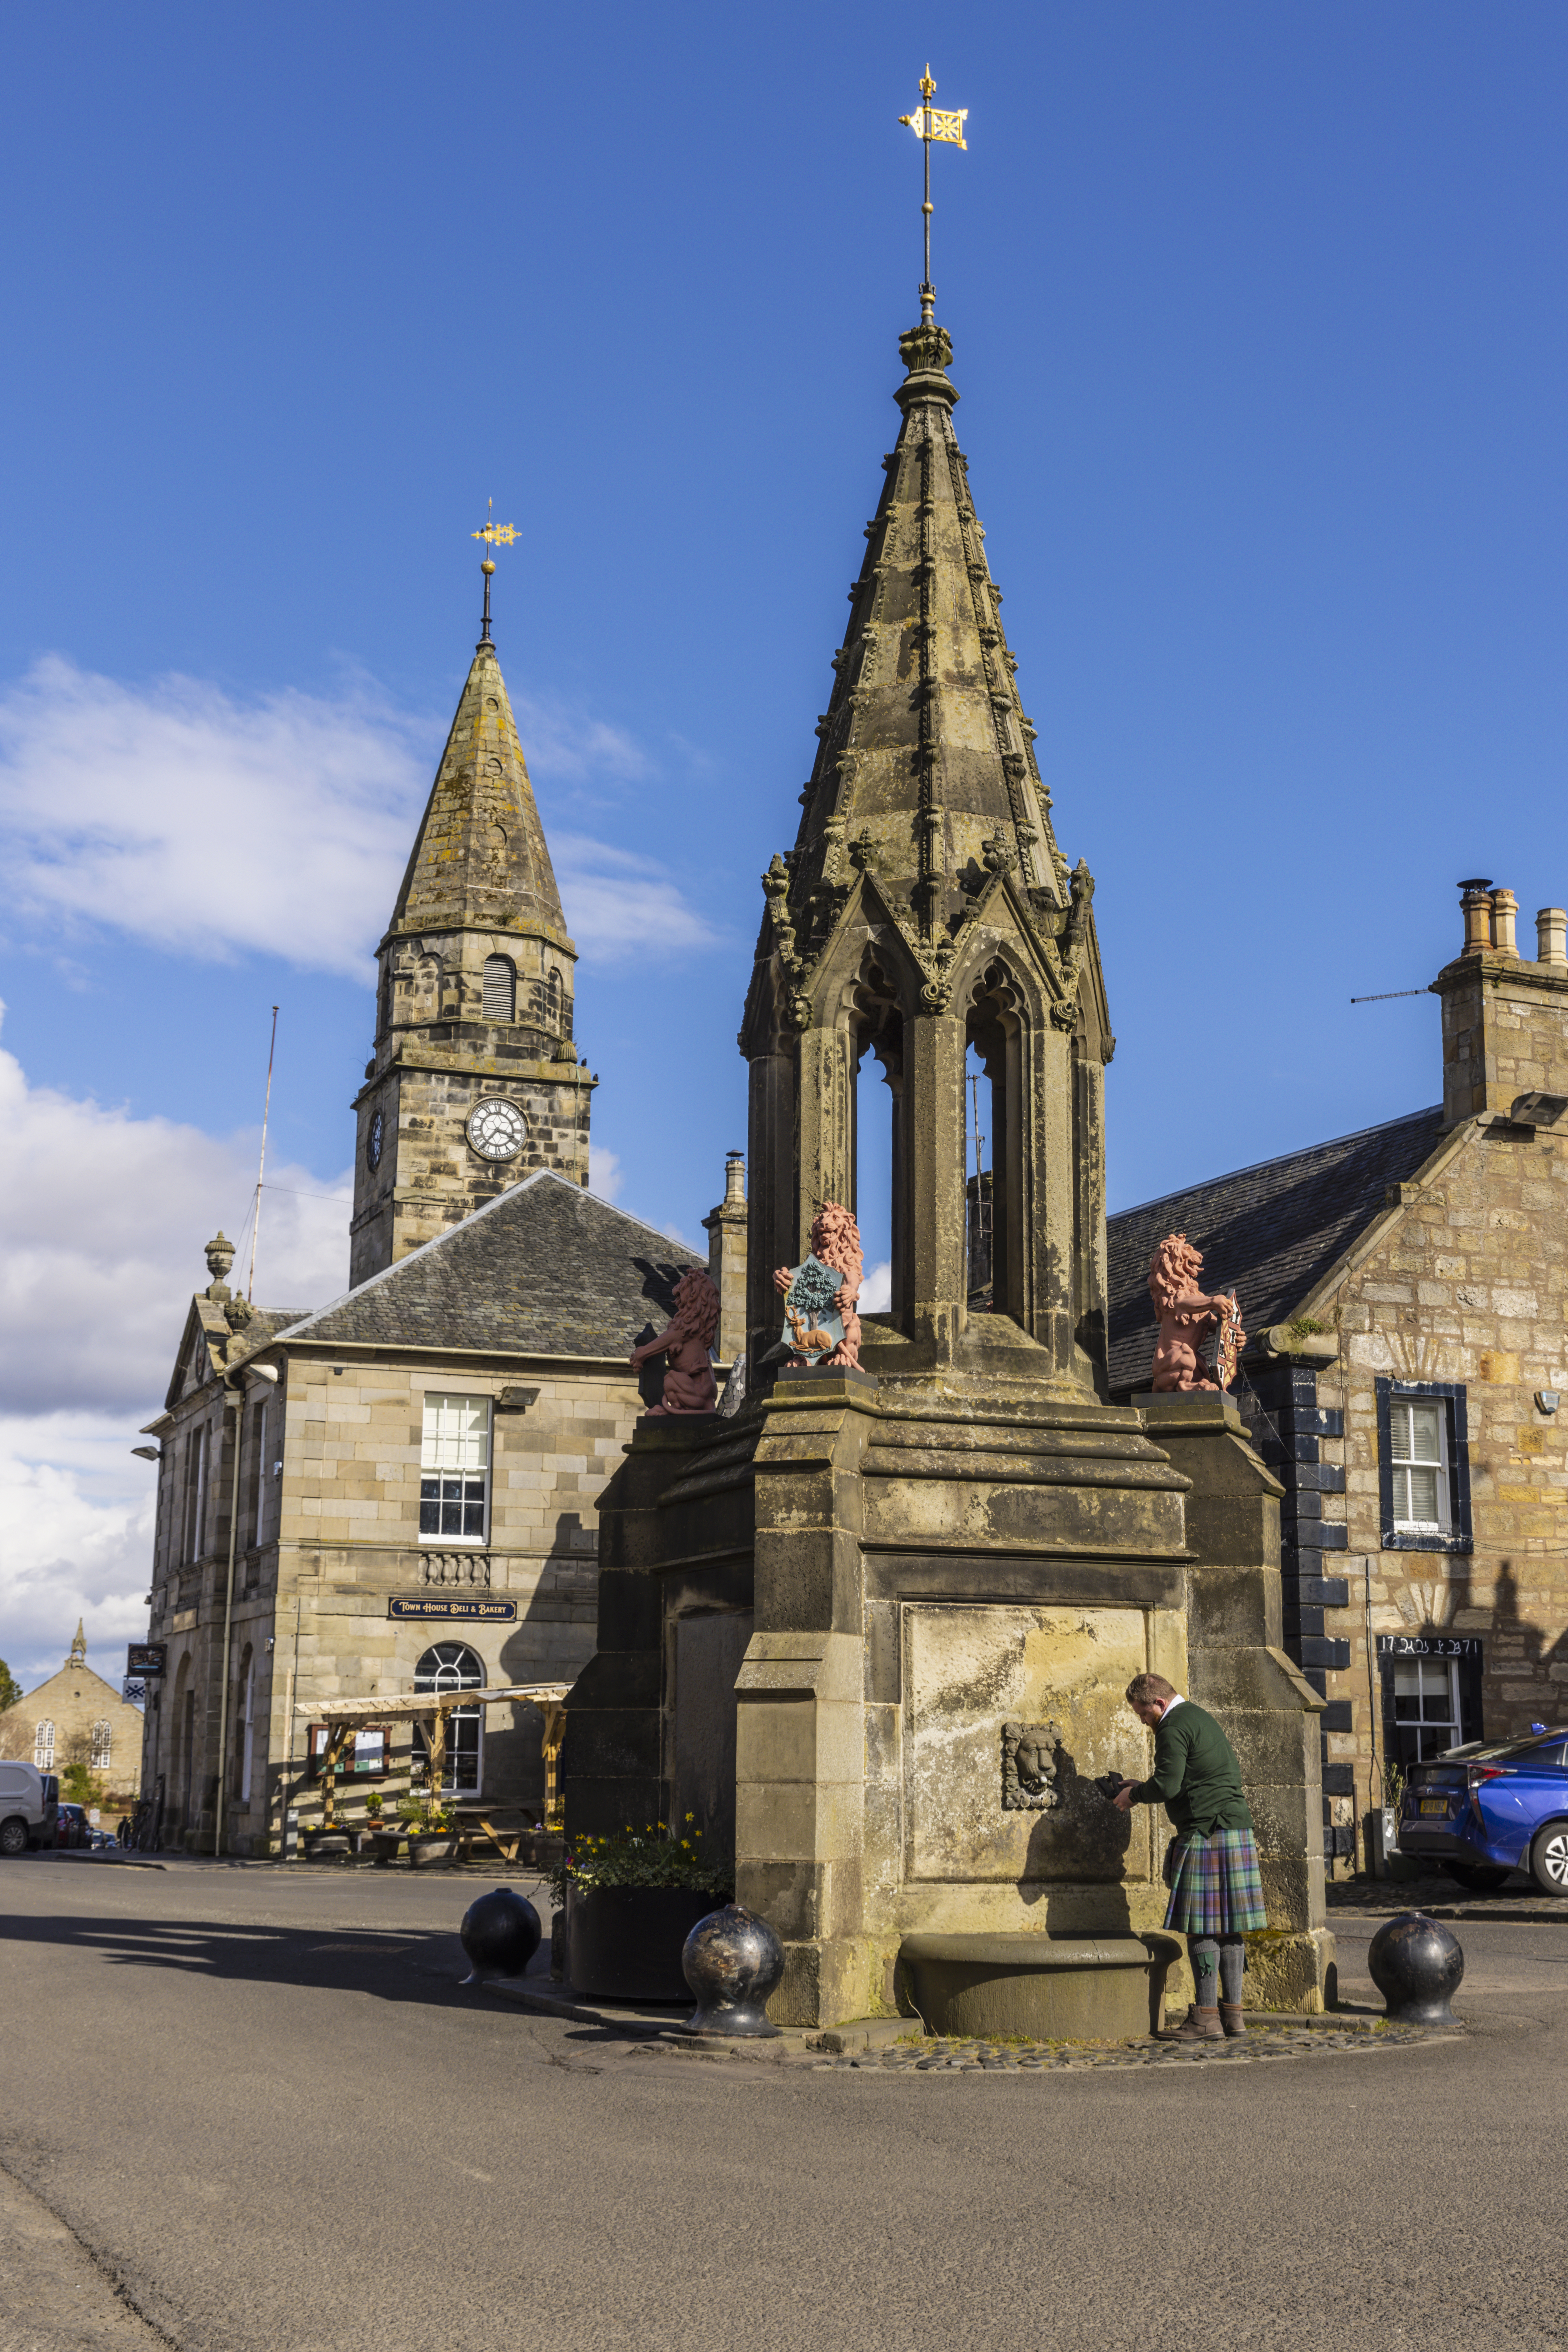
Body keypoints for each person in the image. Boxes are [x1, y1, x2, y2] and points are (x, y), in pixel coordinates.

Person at [1112, 1671, 1267, 2040]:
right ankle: (1233, 2017)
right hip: (1234, 1829)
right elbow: (1185, 1779)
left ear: (1159, 1704)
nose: (1142, 1720)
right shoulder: (1196, 1716)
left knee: (1200, 1928)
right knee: (1230, 1929)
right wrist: (1141, 1785)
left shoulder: (1172, 1726)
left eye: (1143, 1713)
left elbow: (1167, 1785)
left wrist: (1132, 1797)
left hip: (1206, 1833)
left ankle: (1204, 2019)